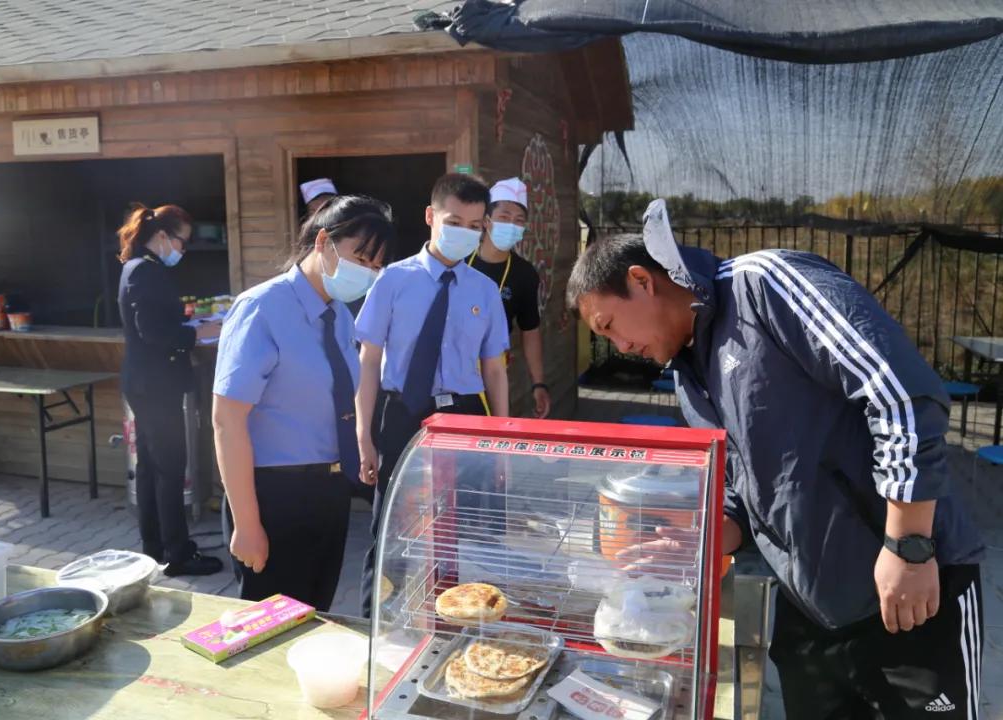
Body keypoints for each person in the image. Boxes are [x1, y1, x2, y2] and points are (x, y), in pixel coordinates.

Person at [567, 199, 985, 719]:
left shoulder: (764, 286)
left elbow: (898, 392)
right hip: (810, 607)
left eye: (609, 326)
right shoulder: (687, 375)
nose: (620, 345)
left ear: (642, 280)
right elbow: (743, 487)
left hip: (910, 594)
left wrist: (910, 543)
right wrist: (701, 542)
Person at [212, 196, 398, 609]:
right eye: (360, 257)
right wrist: (246, 523)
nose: (366, 272)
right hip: (274, 494)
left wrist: (362, 443)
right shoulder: (261, 308)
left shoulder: (341, 314)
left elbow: (340, 394)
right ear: (322, 243)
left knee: (315, 614)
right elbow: (226, 421)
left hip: (328, 492)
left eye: (375, 265)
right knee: (269, 628)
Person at [355, 173, 511, 616]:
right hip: (403, 410)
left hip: (463, 415)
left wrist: (501, 439)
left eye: (476, 224)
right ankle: (378, 619)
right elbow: (369, 361)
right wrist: (365, 435)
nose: (465, 232)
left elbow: (495, 369)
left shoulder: (485, 291)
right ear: (430, 217)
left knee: (463, 524)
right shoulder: (391, 281)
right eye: (454, 220)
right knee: (394, 525)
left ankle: (459, 616)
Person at [117, 203, 223, 577]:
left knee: (151, 469)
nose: (183, 250)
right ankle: (177, 555)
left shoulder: (140, 268)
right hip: (155, 384)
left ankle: (155, 548)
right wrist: (199, 333)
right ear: (162, 236)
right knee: (169, 469)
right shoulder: (145, 272)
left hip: (145, 383)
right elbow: (155, 332)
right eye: (182, 242)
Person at [467, 177, 550, 418]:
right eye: (504, 217)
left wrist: (539, 384)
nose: (511, 225)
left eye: (519, 221)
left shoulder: (524, 274)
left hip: (494, 371)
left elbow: (530, 330)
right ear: (486, 221)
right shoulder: (460, 260)